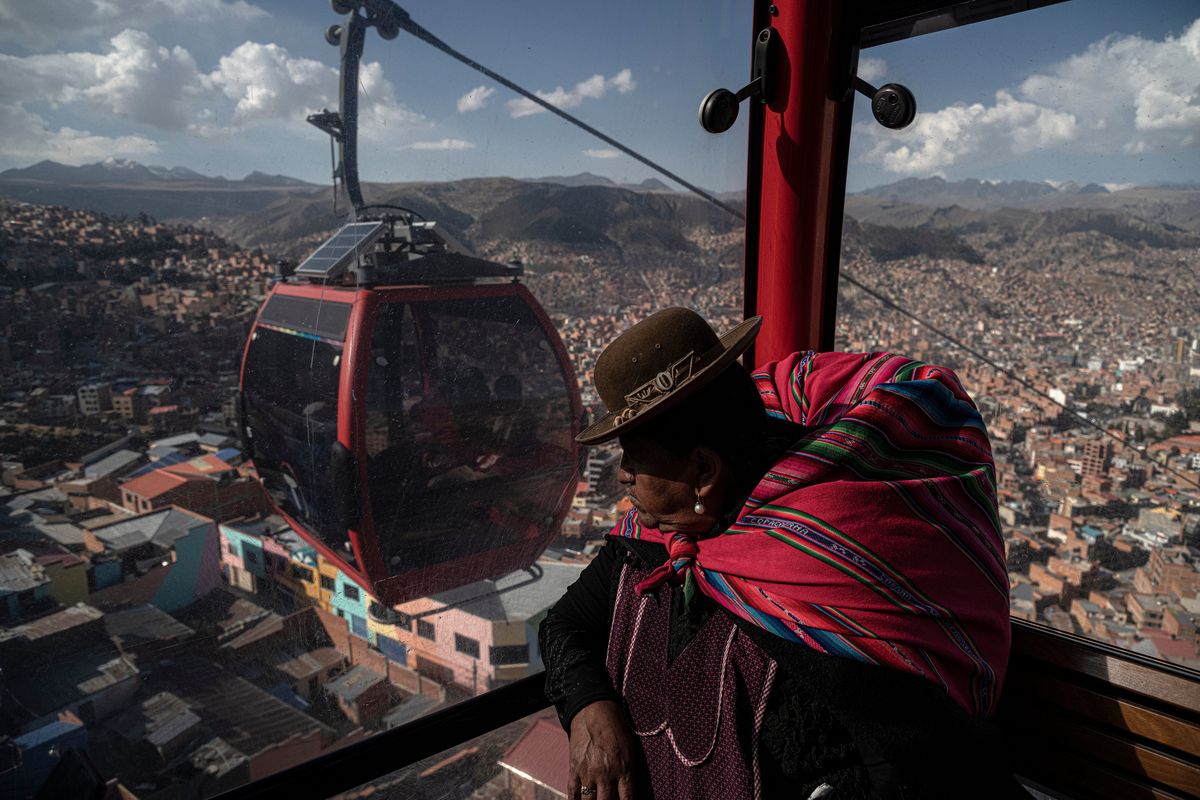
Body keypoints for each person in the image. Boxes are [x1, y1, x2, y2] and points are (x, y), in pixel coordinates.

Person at [539, 308, 1024, 800]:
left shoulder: (817, 563)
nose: (622, 475)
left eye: (634, 459)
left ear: (704, 470)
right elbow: (564, 625)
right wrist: (589, 706)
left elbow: (915, 763)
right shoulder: (653, 543)